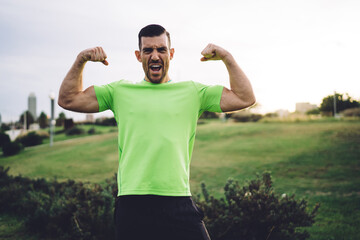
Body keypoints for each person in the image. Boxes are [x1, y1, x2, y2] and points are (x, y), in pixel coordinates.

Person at [58, 24, 255, 240]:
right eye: (148, 50)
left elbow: (244, 98)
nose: (155, 55)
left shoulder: (192, 92)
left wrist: (227, 57)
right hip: (132, 203)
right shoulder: (119, 91)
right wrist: (80, 60)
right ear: (138, 55)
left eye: (161, 49)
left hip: (178, 200)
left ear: (171, 54)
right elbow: (68, 99)